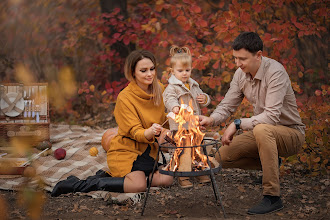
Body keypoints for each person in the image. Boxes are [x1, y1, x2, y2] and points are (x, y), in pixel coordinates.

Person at [199, 32, 305, 215]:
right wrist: (212, 119)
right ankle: (270, 162)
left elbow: (271, 117)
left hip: (290, 134)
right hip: (262, 135)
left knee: (263, 129)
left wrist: (237, 124)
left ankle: (273, 196)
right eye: (235, 58)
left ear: (258, 55)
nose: (238, 64)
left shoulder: (275, 72)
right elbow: (227, 104)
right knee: (219, 156)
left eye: (242, 59)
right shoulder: (241, 74)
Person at [51, 50, 173, 197]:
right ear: (132, 73)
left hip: (148, 151)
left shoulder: (159, 88)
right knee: (138, 185)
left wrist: (176, 118)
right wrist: (150, 132)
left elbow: (161, 118)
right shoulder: (125, 98)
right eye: (143, 70)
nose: (150, 74)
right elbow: (135, 132)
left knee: (167, 179)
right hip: (126, 151)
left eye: (152, 69)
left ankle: (114, 178)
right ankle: (79, 184)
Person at [163, 45, 211, 188]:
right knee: (183, 151)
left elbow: (203, 98)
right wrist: (174, 106)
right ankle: (183, 176)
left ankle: (200, 171)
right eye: (180, 71)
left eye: (187, 70)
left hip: (195, 126)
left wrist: (205, 99)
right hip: (180, 128)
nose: (184, 74)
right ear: (172, 72)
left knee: (197, 148)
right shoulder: (172, 87)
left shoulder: (194, 86)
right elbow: (168, 98)